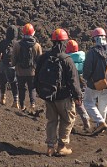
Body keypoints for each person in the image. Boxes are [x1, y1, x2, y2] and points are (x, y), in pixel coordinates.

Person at [34, 28, 85, 157]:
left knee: (51, 121)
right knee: (67, 120)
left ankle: (50, 147)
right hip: (64, 97)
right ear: (64, 42)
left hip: (49, 96)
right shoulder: (67, 60)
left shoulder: (44, 57)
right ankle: (62, 147)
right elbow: (74, 81)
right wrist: (78, 96)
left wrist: (39, 91)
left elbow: (37, 75)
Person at [82, 27, 107, 135]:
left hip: (94, 84)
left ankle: (100, 122)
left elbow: (87, 70)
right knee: (103, 105)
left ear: (94, 39)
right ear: (105, 37)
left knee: (87, 102)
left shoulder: (91, 53)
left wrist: (87, 78)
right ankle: (100, 125)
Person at [12, 23, 42, 113]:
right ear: (33, 33)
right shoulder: (37, 46)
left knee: (21, 88)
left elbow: (14, 58)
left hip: (20, 71)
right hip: (32, 72)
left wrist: (14, 66)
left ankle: (22, 105)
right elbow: (39, 60)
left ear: (23, 33)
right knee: (32, 88)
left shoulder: (17, 45)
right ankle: (32, 104)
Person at [66, 39, 92, 131]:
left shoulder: (67, 58)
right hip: (82, 81)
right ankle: (86, 120)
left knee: (70, 105)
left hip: (72, 82)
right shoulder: (82, 56)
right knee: (79, 103)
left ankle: (71, 125)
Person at [0, 25, 19, 107]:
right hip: (13, 66)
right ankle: (16, 101)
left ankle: (3, 98)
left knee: (3, 81)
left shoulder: (3, 42)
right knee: (14, 83)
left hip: (4, 64)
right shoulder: (17, 44)